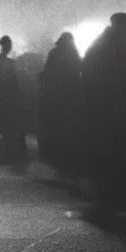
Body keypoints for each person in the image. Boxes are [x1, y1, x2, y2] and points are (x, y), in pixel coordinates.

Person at [82, 12, 126, 216]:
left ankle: (107, 193)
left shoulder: (97, 49)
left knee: (107, 148)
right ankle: (116, 194)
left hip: (104, 108)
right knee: (119, 147)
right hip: (115, 109)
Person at [39, 32, 85, 194]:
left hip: (56, 99)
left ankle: (58, 164)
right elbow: (80, 68)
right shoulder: (73, 53)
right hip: (70, 99)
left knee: (57, 131)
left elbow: (47, 73)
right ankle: (68, 165)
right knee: (68, 132)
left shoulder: (54, 53)